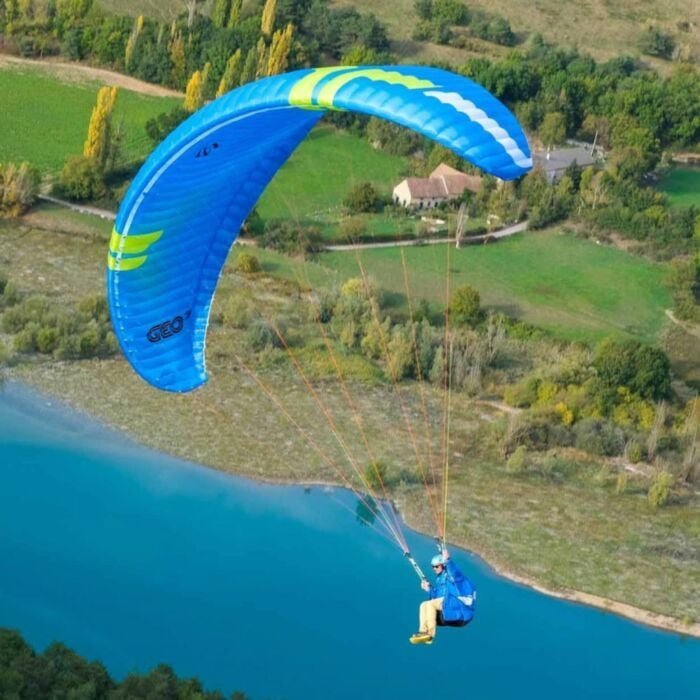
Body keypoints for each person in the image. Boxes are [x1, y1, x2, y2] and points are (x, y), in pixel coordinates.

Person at [409, 548, 476, 645]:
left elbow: (454, 572)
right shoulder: (440, 580)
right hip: (450, 605)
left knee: (430, 605)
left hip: (461, 611)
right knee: (423, 605)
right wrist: (429, 589)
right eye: (433, 567)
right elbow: (438, 598)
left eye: (436, 566)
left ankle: (430, 634)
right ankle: (423, 632)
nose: (434, 569)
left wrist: (448, 560)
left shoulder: (454, 577)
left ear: (443, 565)